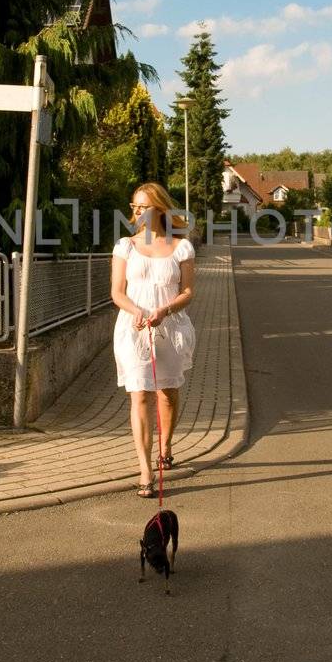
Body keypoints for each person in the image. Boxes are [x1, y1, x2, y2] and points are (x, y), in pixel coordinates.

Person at [111, 182, 197, 498]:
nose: (136, 213)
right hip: (133, 330)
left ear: (160, 209)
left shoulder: (181, 247)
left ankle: (167, 444)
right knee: (140, 395)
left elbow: (188, 292)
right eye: (133, 207)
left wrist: (165, 309)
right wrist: (135, 310)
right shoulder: (125, 246)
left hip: (171, 328)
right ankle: (145, 470)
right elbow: (116, 292)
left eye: (142, 207)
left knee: (167, 393)